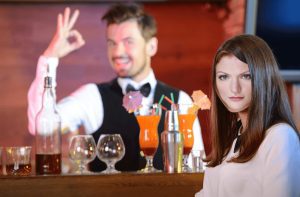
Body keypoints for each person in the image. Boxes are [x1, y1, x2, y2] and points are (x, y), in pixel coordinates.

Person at [27, 3, 204, 172]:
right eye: (112, 43)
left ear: (151, 46)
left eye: (128, 41)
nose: (118, 52)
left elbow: (199, 169)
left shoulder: (180, 100)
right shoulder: (93, 97)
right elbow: (40, 127)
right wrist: (49, 59)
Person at [196, 34, 300, 197]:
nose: (234, 88)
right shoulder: (230, 139)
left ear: (264, 78)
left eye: (246, 76)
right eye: (224, 77)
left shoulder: (279, 136)